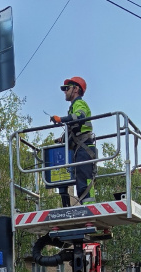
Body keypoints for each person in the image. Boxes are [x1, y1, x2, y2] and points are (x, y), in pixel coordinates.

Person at [50, 76, 97, 207]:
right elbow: (75, 128)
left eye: (67, 88)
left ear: (76, 89)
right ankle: (86, 205)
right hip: (80, 148)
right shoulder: (73, 107)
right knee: (80, 180)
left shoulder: (79, 104)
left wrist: (61, 119)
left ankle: (89, 207)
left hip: (85, 148)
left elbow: (80, 116)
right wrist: (63, 139)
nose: (65, 91)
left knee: (84, 180)